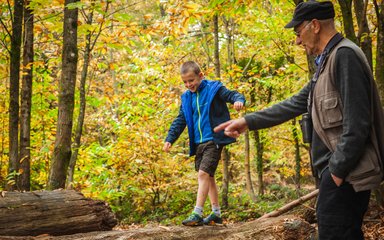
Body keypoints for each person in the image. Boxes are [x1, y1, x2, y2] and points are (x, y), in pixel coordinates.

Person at [214, 1, 384, 239]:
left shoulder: (345, 56)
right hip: (335, 174)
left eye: (297, 33)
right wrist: (247, 121)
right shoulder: (326, 63)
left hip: (345, 176)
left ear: (314, 25)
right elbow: (294, 103)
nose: (297, 41)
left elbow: (358, 124)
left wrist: (336, 171)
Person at [164, 61, 245, 226]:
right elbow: (181, 120)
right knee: (209, 177)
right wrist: (169, 139)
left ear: (200, 76)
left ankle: (197, 212)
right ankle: (216, 213)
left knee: (203, 174)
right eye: (185, 82)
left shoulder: (213, 88)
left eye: (191, 80)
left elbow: (232, 94)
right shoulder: (187, 97)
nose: (189, 85)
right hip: (198, 143)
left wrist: (239, 100)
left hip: (214, 139)